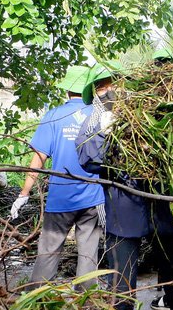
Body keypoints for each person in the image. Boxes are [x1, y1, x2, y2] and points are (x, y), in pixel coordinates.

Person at [76, 63, 173, 310]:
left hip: (161, 208)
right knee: (121, 281)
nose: (111, 90)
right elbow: (87, 161)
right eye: (103, 86)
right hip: (123, 212)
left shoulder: (147, 115)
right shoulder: (94, 124)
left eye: (114, 83)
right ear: (96, 94)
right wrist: (104, 132)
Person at [10, 66, 104, 290]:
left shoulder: (53, 115)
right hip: (93, 197)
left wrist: (24, 194)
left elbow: (38, 158)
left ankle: (38, 300)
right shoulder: (98, 115)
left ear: (66, 92)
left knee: (49, 251)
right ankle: (86, 301)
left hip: (60, 197)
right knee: (89, 253)